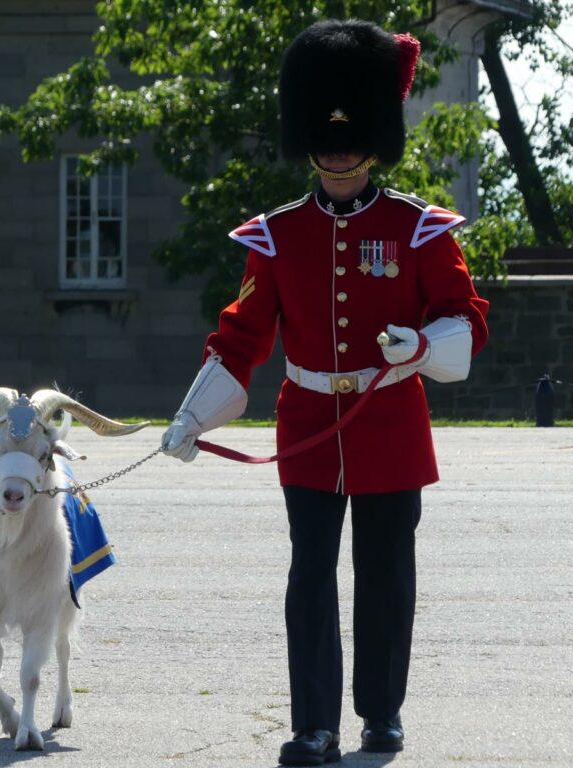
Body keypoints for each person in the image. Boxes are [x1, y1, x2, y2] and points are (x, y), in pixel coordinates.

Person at [159, 19, 490, 767]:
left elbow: (465, 319)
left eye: (353, 136)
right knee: (309, 579)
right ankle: (314, 725)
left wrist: (423, 348)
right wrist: (193, 414)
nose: (339, 150)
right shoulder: (275, 237)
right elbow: (242, 336)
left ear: (376, 138)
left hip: (389, 422)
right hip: (309, 422)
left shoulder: (420, 229)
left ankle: (381, 714)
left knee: (385, 578)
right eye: (327, 136)